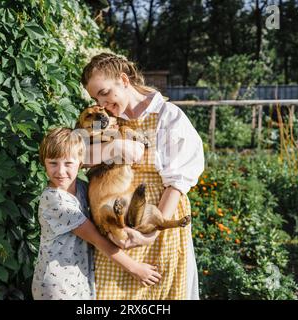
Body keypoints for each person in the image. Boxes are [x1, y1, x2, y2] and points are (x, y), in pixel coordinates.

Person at [81, 53, 204, 300]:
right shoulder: (106, 120)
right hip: (117, 219)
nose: (101, 103)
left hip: (159, 214)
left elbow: (177, 184)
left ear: (124, 80)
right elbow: (76, 155)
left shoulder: (168, 117)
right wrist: (113, 149)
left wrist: (151, 233)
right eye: (96, 98)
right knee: (109, 295)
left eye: (105, 93)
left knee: (158, 295)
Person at [31, 127, 161, 300]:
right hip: (57, 284)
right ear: (44, 162)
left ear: (81, 162)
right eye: (53, 163)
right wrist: (135, 268)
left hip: (78, 277)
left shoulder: (82, 188)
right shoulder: (55, 200)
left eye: (68, 163)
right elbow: (97, 239)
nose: (61, 171)